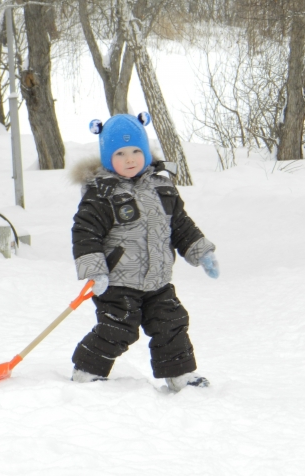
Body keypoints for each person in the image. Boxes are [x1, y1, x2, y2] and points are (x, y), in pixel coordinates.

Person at [69, 112, 219, 392]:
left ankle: (180, 375)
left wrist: (201, 252)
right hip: (117, 283)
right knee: (119, 329)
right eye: (121, 153)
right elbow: (85, 233)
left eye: (137, 150)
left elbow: (181, 225)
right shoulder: (102, 193)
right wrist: (95, 270)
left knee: (172, 323)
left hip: (158, 281)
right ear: (107, 157)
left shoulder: (163, 187)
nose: (130, 159)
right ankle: (87, 370)